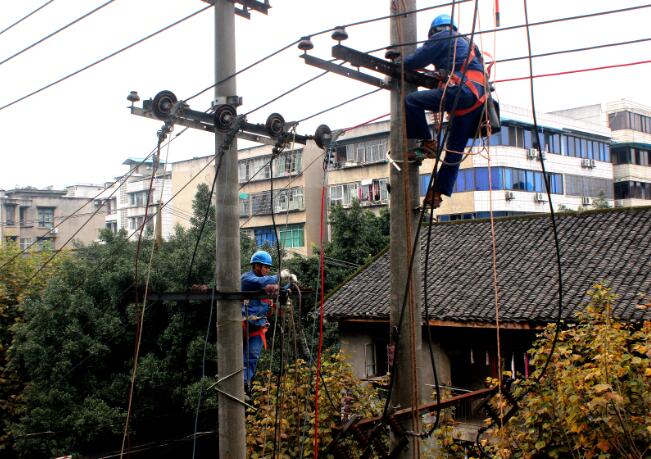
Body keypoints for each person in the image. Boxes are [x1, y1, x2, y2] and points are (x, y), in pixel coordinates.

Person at [403, 13, 488, 208]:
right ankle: (437, 193)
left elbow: (416, 59)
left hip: (463, 92)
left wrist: (397, 64)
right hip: (476, 102)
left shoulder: (443, 37)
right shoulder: (467, 43)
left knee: (412, 101)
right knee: (454, 151)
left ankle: (427, 144)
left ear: (435, 31)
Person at [242, 250, 279, 392]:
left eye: (269, 267)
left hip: (257, 329)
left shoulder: (266, 282)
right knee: (237, 356)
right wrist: (279, 277)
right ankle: (236, 382)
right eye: (265, 266)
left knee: (252, 356)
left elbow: (271, 284)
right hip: (242, 326)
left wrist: (285, 287)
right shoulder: (247, 279)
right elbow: (260, 282)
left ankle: (245, 383)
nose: (267, 270)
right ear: (256, 265)